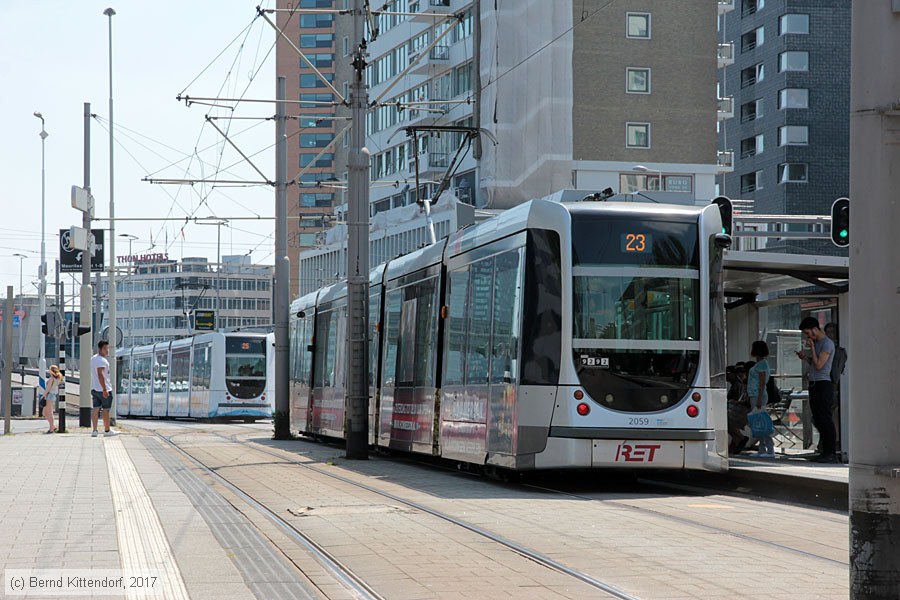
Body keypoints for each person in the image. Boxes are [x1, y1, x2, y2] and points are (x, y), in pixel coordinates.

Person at [796, 317, 837, 462]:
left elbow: (820, 365)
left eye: (808, 333)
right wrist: (805, 357)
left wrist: (812, 348)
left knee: (825, 418)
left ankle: (830, 452)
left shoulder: (826, 344)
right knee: (818, 418)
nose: (808, 337)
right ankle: (824, 450)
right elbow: (814, 363)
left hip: (823, 384)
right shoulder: (818, 343)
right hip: (814, 384)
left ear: (815, 329)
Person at [747, 341, 774, 458]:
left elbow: (762, 383)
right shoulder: (760, 364)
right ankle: (762, 448)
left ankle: (769, 448)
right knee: (758, 422)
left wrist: (759, 399)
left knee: (762, 422)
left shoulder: (762, 364)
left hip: (758, 395)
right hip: (755, 395)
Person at [91, 341, 115, 437]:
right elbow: (100, 374)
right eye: (105, 348)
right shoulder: (102, 361)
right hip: (104, 389)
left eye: (107, 348)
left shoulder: (93, 359)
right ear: (100, 349)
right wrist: (104, 389)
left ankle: (94, 430)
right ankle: (107, 430)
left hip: (94, 388)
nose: (107, 350)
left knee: (95, 409)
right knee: (106, 410)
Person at [39, 365, 63, 434]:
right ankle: (53, 426)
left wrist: (43, 396)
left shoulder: (52, 378)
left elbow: (48, 388)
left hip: (49, 395)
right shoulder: (58, 378)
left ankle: (51, 428)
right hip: (52, 395)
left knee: (49, 412)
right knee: (45, 412)